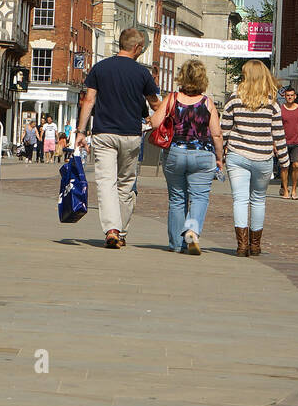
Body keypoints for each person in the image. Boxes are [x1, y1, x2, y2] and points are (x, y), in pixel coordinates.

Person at [74, 29, 162, 249]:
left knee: (106, 182)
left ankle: (111, 229)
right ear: (137, 47)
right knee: (125, 184)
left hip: (104, 133)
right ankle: (120, 231)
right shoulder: (143, 74)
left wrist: (80, 132)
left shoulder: (100, 68)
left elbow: (89, 101)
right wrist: (154, 121)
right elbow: (156, 104)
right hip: (131, 135)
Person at [148, 59, 225, 254]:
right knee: (199, 197)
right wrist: (219, 158)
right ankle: (192, 230)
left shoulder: (172, 98)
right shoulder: (207, 102)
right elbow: (216, 134)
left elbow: (156, 123)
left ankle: (175, 244)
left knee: (177, 198)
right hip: (203, 154)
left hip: (175, 152)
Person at [221, 60, 290, 257]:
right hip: (263, 156)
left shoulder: (234, 99)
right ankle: (255, 245)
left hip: (237, 154)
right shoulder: (272, 104)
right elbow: (279, 134)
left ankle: (242, 246)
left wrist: (219, 154)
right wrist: (284, 161)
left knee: (240, 200)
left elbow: (224, 129)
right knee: (258, 200)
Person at [278, 86, 298, 200]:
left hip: (297, 142)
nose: (290, 97)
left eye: (292, 95)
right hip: (283, 142)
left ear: (295, 96)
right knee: (284, 167)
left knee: (296, 165)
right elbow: (276, 127)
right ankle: (285, 190)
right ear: (285, 97)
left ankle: (294, 189)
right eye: (288, 95)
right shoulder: (281, 109)